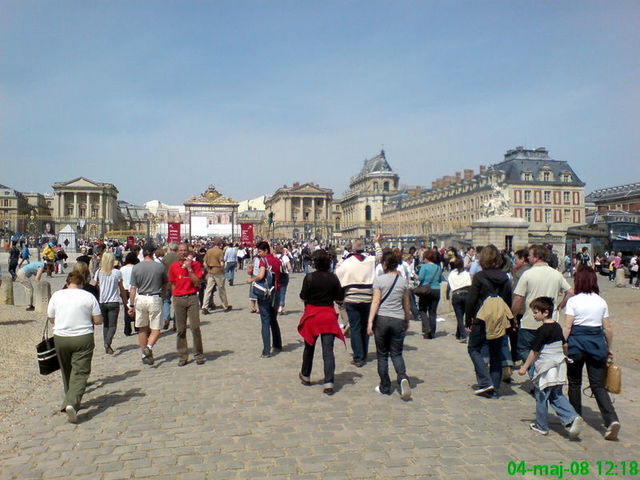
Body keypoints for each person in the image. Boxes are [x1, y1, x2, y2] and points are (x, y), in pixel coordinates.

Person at [563, 266, 620, 440]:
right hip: (596, 343)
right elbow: (607, 328)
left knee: (574, 383)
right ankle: (611, 420)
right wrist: (609, 348)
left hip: (576, 344)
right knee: (598, 385)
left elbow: (568, 326)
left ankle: (575, 417)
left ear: (578, 281)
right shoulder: (600, 301)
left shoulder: (573, 301)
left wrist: (562, 344)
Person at [518, 297, 583, 438]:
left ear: (545, 312)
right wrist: (565, 357)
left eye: (536, 312)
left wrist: (524, 367)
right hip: (559, 366)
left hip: (547, 369)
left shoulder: (542, 330)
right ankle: (572, 416)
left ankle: (541, 426)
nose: (534, 315)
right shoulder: (557, 327)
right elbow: (565, 345)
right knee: (557, 395)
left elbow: (534, 352)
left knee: (541, 397)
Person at [47, 271, 102, 423]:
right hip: (83, 337)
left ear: (67, 282)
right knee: (80, 372)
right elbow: (98, 320)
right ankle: (72, 402)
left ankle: (69, 398)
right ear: (82, 283)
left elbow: (51, 318)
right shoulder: (88, 296)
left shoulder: (57, 295)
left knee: (66, 370)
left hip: (61, 337)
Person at [511, 245, 573, 365]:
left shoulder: (528, 274)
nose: (528, 258)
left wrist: (513, 316)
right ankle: (540, 369)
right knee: (545, 351)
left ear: (536, 257)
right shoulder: (556, 274)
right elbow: (570, 292)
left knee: (523, 349)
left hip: (530, 320)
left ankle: (535, 369)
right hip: (550, 320)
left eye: (530, 255)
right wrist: (560, 305)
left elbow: (518, 298)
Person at [465, 245, 513, 398]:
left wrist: (468, 320)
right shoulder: (505, 277)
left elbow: (471, 300)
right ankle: (495, 391)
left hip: (481, 318)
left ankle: (486, 382)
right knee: (496, 354)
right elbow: (508, 301)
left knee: (473, 348)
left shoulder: (479, 277)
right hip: (498, 319)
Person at [297, 250, 345, 395]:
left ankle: (306, 375)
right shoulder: (333, 278)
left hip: (313, 315)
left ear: (315, 263)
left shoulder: (309, 277)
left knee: (309, 347)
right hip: (328, 316)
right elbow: (340, 299)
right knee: (328, 350)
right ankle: (329, 382)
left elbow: (303, 297)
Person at [367, 250, 413, 400]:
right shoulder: (403, 282)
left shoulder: (379, 280)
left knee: (382, 355)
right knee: (397, 353)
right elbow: (406, 303)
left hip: (382, 319)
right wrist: (407, 319)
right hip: (398, 319)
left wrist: (370, 321)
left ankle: (385, 387)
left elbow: (375, 302)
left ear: (385, 264)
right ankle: (402, 377)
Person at [335, 236, 382, 367]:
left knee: (355, 327)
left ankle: (358, 357)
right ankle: (364, 353)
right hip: (368, 297)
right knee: (365, 326)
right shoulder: (370, 260)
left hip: (352, 297)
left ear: (352, 249)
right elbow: (380, 256)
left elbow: (337, 273)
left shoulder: (347, 262)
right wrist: (377, 243)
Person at [128, 244, 168, 366]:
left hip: (141, 297)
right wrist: (162, 295)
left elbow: (133, 288)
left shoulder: (136, 267)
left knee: (142, 328)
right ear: (153, 253)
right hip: (154, 297)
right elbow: (165, 284)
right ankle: (149, 347)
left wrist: (131, 305)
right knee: (156, 328)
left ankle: (144, 354)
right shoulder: (160, 267)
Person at [168, 243, 205, 366]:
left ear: (188, 252)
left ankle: (198, 354)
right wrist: (174, 297)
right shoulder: (173, 266)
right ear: (177, 252)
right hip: (179, 299)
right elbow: (172, 283)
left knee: (195, 327)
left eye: (185, 250)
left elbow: (197, 282)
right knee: (181, 329)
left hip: (192, 297)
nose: (183, 253)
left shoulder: (196, 265)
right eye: (181, 250)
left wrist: (189, 268)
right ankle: (183, 355)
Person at [246, 241, 282, 358]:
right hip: (276, 291)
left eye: (260, 251)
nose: (259, 253)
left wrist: (252, 280)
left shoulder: (263, 261)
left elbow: (261, 275)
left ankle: (266, 351)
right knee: (273, 319)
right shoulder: (276, 260)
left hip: (265, 293)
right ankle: (277, 344)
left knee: (265, 320)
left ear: (266, 250)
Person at [90, 252, 127, 354]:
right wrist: (125, 300)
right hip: (113, 301)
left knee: (106, 325)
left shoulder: (98, 272)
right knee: (113, 326)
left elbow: (93, 285)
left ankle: (107, 345)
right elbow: (121, 288)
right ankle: (107, 342)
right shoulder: (117, 273)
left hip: (102, 301)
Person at [416, 249, 443, 339]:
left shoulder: (424, 267)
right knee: (433, 312)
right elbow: (440, 280)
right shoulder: (438, 267)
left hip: (426, 290)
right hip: (436, 290)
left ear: (427, 258)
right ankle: (432, 332)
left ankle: (426, 328)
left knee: (422, 310)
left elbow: (420, 278)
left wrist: (415, 276)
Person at [202, 238, 232, 314]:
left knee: (208, 290)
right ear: (220, 244)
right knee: (221, 289)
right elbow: (222, 263)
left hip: (210, 271)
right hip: (219, 271)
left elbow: (204, 263)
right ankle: (225, 306)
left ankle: (204, 307)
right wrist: (223, 270)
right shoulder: (220, 251)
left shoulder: (209, 251)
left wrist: (208, 269)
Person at [446, 258, 471, 342]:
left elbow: (448, 286)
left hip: (456, 295)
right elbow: (470, 285)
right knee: (462, 314)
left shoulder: (452, 274)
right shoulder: (467, 274)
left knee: (459, 316)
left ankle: (462, 335)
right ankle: (459, 333)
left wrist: (447, 295)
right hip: (466, 294)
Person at [120, 251, 140, 336]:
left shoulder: (122, 269)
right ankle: (137, 326)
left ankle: (127, 330)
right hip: (134, 289)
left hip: (124, 290)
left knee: (126, 310)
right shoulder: (136, 268)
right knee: (136, 309)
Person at [275, 245, 292, 315]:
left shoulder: (274, 256)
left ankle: (275, 306)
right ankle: (280, 307)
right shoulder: (285, 257)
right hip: (284, 275)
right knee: (282, 292)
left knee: (276, 291)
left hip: (275, 276)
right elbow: (289, 267)